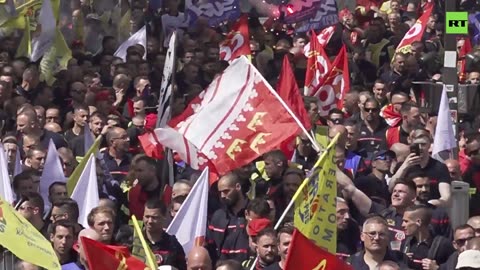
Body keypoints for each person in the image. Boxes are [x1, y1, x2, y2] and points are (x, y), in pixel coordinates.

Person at [207, 171, 249, 263]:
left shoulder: (253, 211)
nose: (222, 196)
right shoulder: (218, 216)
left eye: (226, 191)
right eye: (220, 192)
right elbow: (210, 245)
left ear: (238, 187)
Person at [401, 205, 454, 269]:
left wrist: (437, 268)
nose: (402, 225)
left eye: (406, 221)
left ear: (418, 222)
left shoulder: (443, 245)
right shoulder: (406, 243)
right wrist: (403, 260)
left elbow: (454, 267)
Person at [142, 199, 186, 269]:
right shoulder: (135, 240)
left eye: (154, 217)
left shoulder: (173, 245)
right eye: (147, 216)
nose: (150, 221)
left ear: (164, 218)